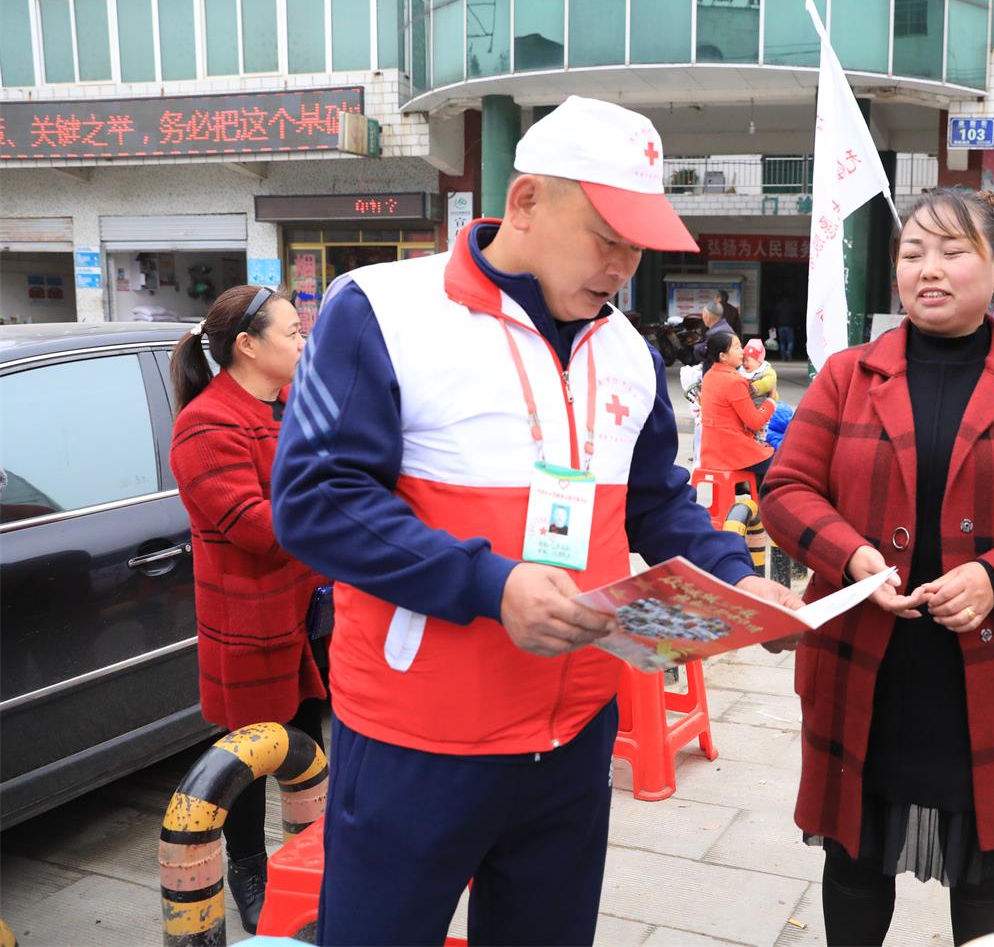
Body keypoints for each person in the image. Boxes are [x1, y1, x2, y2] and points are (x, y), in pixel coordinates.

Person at [270, 96, 799, 946]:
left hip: (575, 735)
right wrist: (490, 583)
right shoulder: (382, 310)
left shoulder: (626, 350)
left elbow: (654, 498)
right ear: (525, 202)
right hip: (418, 738)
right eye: (606, 236)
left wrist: (740, 582)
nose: (622, 265)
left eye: (638, 245)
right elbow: (315, 500)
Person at [760, 187, 994, 946]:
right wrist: (852, 555)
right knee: (854, 857)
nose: (928, 269)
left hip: (993, 667)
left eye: (953, 252)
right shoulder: (847, 375)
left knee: (989, 871)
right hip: (865, 662)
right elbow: (787, 491)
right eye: (912, 252)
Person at [166, 285, 328, 935]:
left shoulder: (287, 407)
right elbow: (255, 527)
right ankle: (249, 869)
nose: (303, 342)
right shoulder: (206, 425)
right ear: (248, 345)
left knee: (307, 746)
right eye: (293, 332)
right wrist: (339, 517)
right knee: (248, 759)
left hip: (307, 613)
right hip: (252, 623)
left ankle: (310, 862)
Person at [698, 330, 777, 493]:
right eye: (736, 347)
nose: (742, 351)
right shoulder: (733, 381)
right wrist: (771, 401)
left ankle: (744, 490)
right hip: (733, 453)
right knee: (781, 462)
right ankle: (760, 502)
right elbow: (754, 422)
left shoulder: (709, 376)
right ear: (723, 356)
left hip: (711, 453)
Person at [694, 298, 734, 362]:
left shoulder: (714, 333)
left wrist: (697, 348)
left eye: (703, 314)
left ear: (707, 316)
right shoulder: (725, 326)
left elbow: (706, 354)